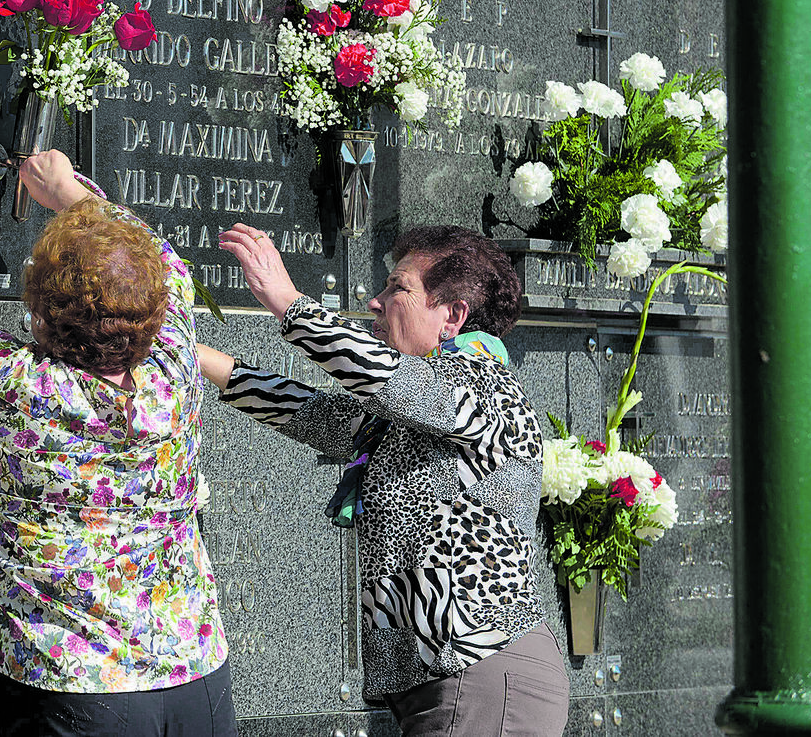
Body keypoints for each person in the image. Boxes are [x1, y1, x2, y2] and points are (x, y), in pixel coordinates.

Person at [200, 223, 567, 737]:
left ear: (453, 316)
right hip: (444, 683)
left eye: (398, 288)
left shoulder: (484, 384)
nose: (374, 301)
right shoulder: (421, 409)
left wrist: (286, 300)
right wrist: (192, 356)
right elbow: (317, 415)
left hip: (482, 674)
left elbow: (382, 376)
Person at [0, 150, 237, 737]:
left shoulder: (17, 386)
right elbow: (164, 264)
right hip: (195, 674)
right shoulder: (172, 370)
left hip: (75, 685)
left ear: (41, 313)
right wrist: (72, 192)